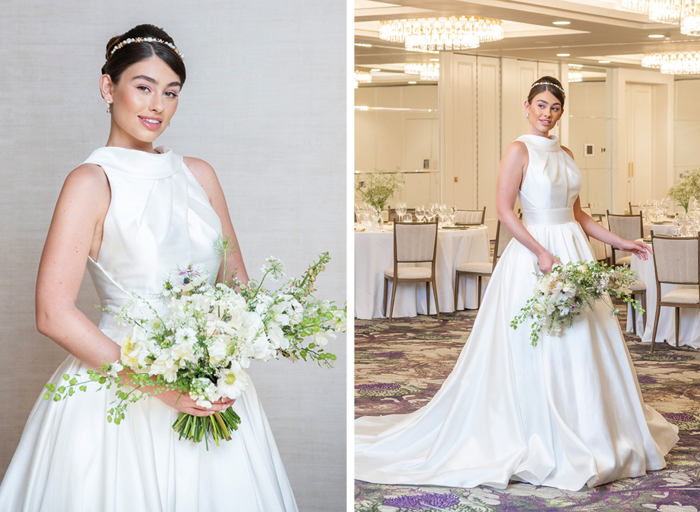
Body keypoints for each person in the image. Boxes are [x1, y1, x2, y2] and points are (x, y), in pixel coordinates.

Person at [0, 24, 298, 511]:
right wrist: (161, 388)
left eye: (171, 92)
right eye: (143, 87)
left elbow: (235, 280)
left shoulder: (199, 175)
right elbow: (53, 313)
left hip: (207, 385)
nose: (157, 105)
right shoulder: (90, 182)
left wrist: (228, 349)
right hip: (120, 391)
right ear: (107, 87)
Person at [355, 76, 679, 491]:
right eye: (541, 105)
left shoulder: (565, 152)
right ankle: (536, 427)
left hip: (574, 248)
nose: (547, 114)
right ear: (527, 106)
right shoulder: (518, 150)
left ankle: (591, 423)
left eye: (555, 108)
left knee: (585, 338)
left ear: (562, 112)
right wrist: (540, 251)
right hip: (534, 252)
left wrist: (620, 242)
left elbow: (579, 214)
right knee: (538, 339)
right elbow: (506, 211)